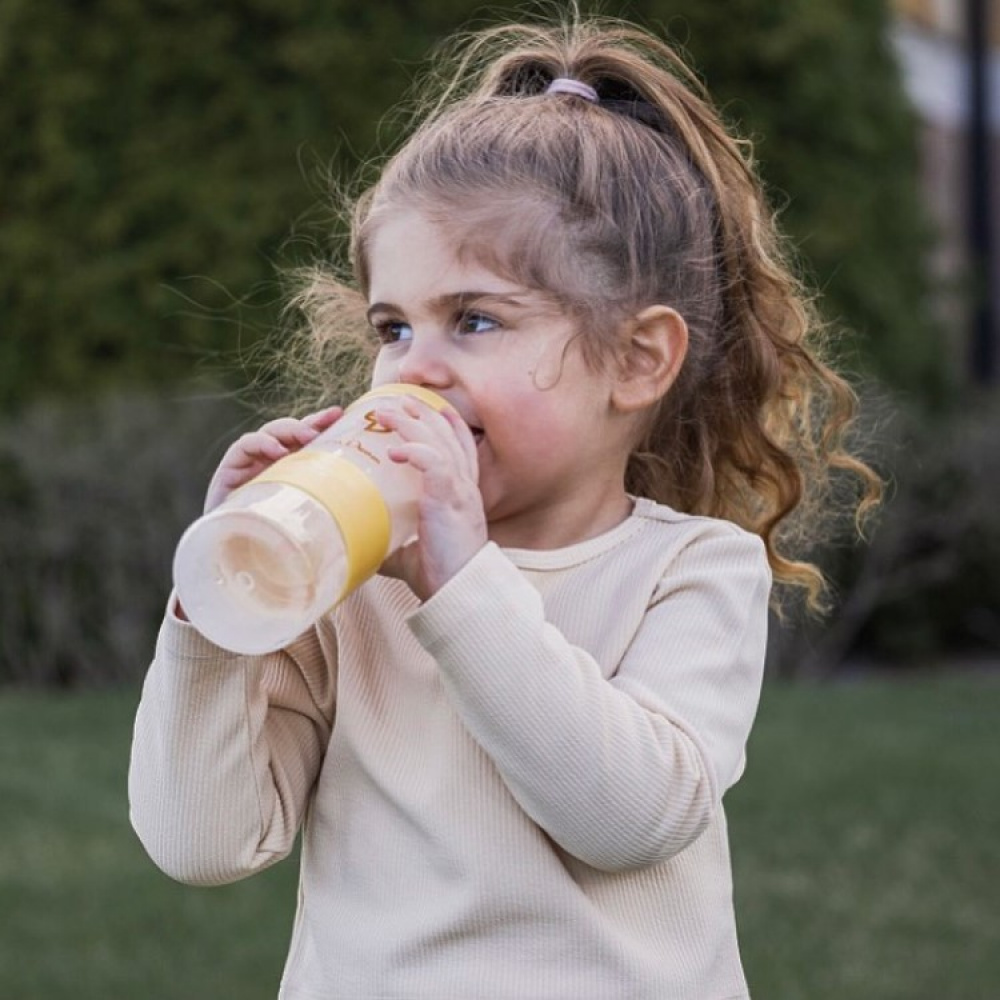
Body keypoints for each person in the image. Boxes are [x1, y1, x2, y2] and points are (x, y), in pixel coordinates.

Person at [129, 9, 879, 999]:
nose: (414, 370)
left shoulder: (689, 570)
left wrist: (461, 582)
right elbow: (204, 841)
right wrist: (223, 607)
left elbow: (628, 814)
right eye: (392, 327)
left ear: (636, 358)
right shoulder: (350, 583)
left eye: (473, 319)